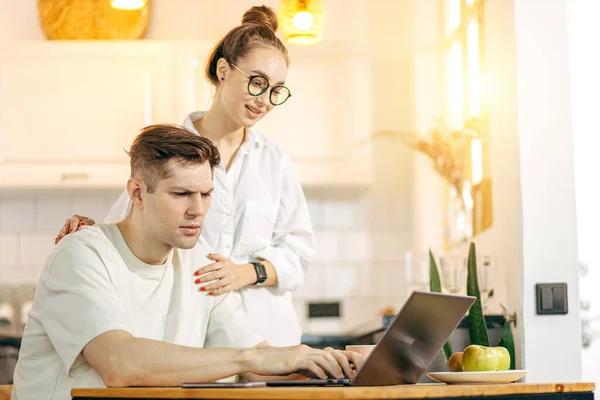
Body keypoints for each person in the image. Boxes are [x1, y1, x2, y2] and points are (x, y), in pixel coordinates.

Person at [12, 125, 362, 400]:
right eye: (181, 194)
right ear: (137, 193)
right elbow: (120, 364)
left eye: (206, 194)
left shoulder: (198, 261)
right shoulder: (81, 255)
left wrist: (331, 364)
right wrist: (250, 359)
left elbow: (259, 362)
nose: (198, 210)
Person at [54, 5, 314, 347]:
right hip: (188, 338)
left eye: (276, 90)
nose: (264, 100)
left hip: (268, 337)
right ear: (224, 70)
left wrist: (245, 272)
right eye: (257, 83)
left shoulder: (274, 159)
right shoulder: (171, 151)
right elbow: (128, 228)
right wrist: (88, 231)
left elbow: (300, 252)